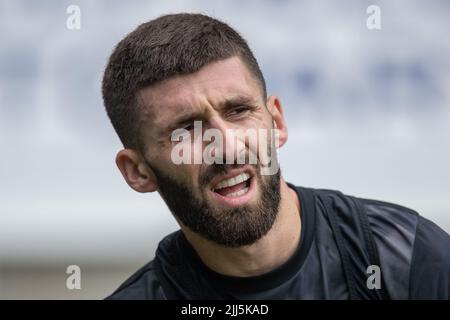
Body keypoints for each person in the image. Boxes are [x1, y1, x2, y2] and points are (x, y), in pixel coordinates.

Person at [101, 13, 450, 299]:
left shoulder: (408, 259)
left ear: (277, 121)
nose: (228, 147)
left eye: (238, 110)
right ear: (137, 171)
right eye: (187, 130)